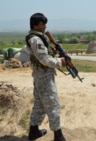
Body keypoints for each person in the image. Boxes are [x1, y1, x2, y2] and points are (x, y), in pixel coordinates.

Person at [26, 13, 66, 141]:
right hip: (44, 77)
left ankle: (33, 131)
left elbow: (43, 55)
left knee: (40, 104)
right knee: (53, 104)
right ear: (35, 25)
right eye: (42, 24)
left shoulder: (39, 37)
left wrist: (53, 52)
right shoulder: (36, 39)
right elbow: (43, 59)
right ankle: (58, 136)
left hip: (40, 76)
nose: (45, 26)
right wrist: (60, 62)